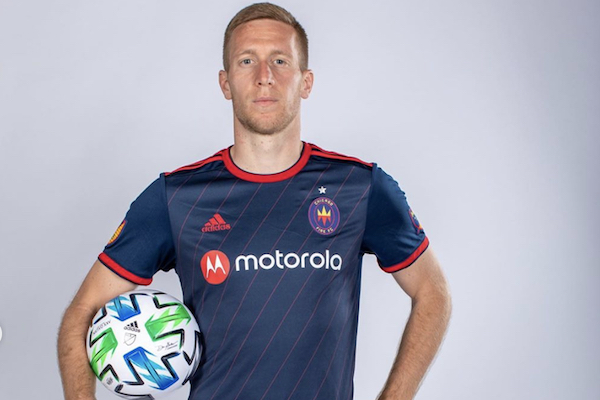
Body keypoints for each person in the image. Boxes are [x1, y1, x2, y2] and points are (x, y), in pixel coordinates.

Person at [57, 3, 451, 400]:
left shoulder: (360, 187)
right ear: (226, 83)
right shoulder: (175, 197)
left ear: (306, 82)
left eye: (280, 60)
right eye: (247, 61)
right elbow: (82, 313)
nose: (265, 76)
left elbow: (433, 292)